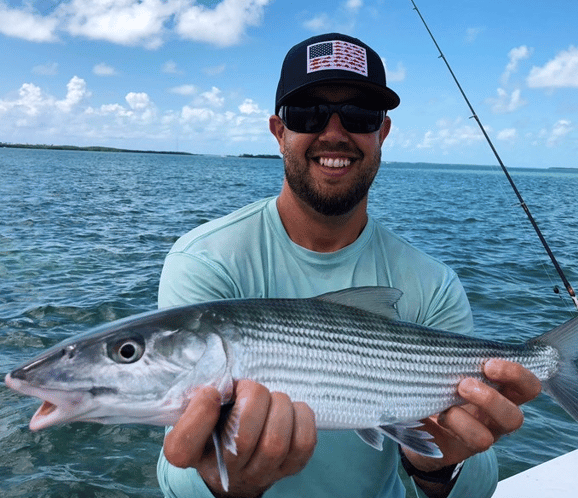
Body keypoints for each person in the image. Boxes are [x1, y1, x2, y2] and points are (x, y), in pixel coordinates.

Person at [156, 32, 541, 498]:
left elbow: (473, 490)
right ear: (279, 132)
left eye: (359, 115)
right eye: (309, 114)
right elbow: (176, 466)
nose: (334, 132)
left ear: (382, 132)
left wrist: (438, 466)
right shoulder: (204, 260)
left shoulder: (433, 284)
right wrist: (219, 484)